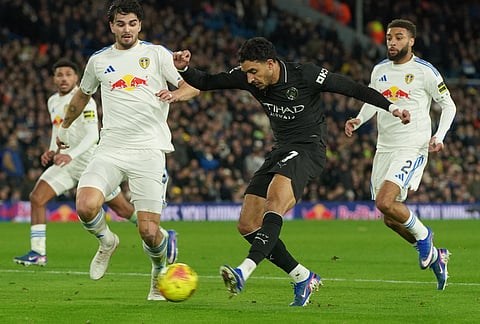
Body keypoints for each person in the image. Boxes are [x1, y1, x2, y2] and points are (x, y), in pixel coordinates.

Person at [172, 36, 410, 306]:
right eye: (246, 72)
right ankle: (302, 277)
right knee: (248, 224)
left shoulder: (305, 75)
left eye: (254, 72)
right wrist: (184, 69)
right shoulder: (248, 77)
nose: (249, 79)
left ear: (271, 64)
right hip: (281, 150)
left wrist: (392, 108)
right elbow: (206, 82)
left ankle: (244, 270)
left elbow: (354, 89)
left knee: (274, 204)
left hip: (309, 149)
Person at [56, 0, 199, 300]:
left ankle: (159, 270)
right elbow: (82, 95)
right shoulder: (98, 60)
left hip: (148, 150)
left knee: (148, 232)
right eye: (120, 24)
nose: (127, 29)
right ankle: (107, 241)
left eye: (132, 23)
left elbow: (193, 86)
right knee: (85, 205)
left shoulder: (157, 54)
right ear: (111, 26)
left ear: (140, 25)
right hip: (110, 148)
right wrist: (64, 128)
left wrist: (174, 94)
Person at [344, 19, 456, 290]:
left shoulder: (424, 71)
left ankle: (425, 236)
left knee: (385, 201)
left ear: (411, 41)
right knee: (390, 219)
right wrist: (359, 120)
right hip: (385, 146)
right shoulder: (379, 69)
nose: (392, 42)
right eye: (389, 38)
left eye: (398, 37)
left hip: (412, 143)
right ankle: (437, 255)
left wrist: (438, 137)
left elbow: (448, 106)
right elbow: (374, 100)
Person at [13, 59, 139, 267]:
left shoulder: (85, 100)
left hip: (90, 165)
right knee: (37, 197)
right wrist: (53, 149)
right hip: (65, 164)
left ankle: (158, 231)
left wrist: (71, 154)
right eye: (59, 74)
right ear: (53, 79)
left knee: (123, 210)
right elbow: (58, 129)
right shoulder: (53, 101)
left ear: (76, 78)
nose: (63, 78)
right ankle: (38, 252)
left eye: (68, 74)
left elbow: (92, 135)